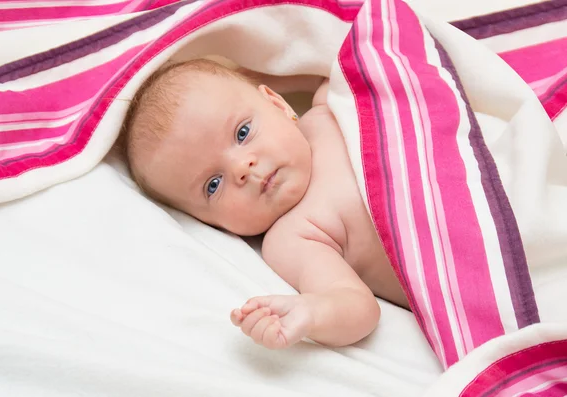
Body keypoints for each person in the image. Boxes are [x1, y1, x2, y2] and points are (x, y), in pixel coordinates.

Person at [122, 58, 408, 350]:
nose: (242, 168)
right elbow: (356, 305)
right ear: (210, 223)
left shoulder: (327, 113)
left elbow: (351, 61)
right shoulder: (293, 238)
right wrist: (311, 313)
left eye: (242, 133)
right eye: (213, 185)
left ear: (277, 104)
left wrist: (277, 72)